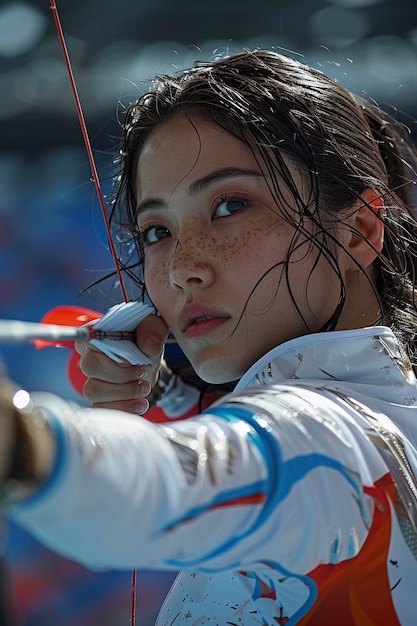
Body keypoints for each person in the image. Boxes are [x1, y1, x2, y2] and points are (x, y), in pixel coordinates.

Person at [1, 49, 417, 624]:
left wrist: (22, 444)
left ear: (358, 233)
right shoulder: (386, 408)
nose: (181, 267)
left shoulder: (331, 441)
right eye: (157, 230)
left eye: (229, 205)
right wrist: (173, 392)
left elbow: (172, 483)